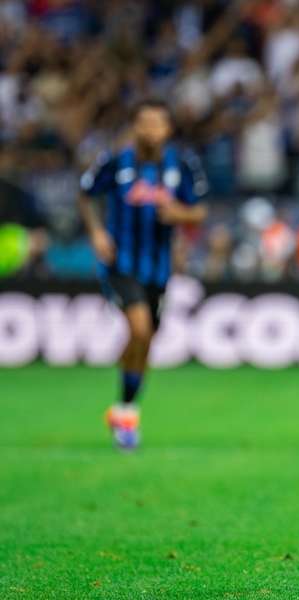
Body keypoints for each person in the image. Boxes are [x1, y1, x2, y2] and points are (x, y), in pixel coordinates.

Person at [78, 99, 208, 450]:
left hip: (159, 268)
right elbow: (86, 194)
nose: (151, 130)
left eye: (157, 124)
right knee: (140, 329)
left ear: (167, 130)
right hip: (120, 263)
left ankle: (125, 410)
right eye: (144, 123)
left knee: (146, 340)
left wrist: (178, 214)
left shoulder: (180, 165)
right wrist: (96, 233)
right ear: (136, 126)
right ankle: (127, 413)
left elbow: (198, 211)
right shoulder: (115, 162)